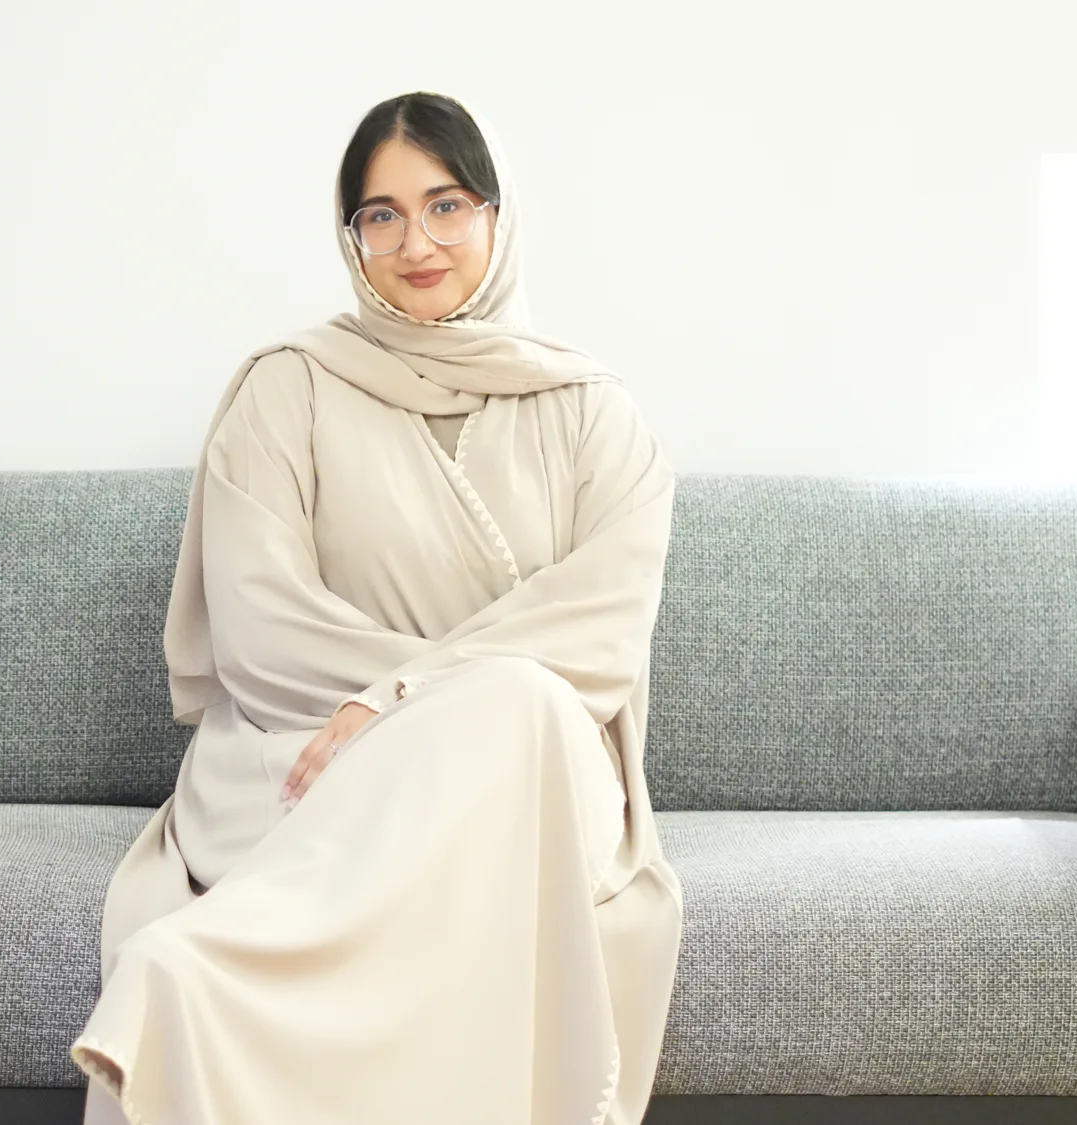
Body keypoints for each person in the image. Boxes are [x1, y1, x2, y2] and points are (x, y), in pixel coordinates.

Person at [70, 89, 684, 1125]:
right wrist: (396, 710)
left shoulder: (595, 412)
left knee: (523, 708)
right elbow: (261, 633)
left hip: (518, 767)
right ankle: (197, 985)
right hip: (317, 750)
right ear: (350, 235)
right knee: (506, 700)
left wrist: (404, 692)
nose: (415, 241)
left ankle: (206, 975)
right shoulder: (285, 390)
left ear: (497, 214)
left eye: (446, 205)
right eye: (381, 214)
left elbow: (600, 634)